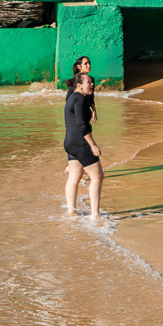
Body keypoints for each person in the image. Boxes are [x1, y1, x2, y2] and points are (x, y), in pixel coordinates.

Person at [64, 71, 104, 219]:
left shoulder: (72, 96)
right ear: (79, 85)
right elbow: (81, 125)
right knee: (98, 177)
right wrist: (92, 144)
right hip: (81, 144)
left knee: (74, 176)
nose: (92, 84)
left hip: (70, 143)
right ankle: (95, 215)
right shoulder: (80, 98)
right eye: (89, 82)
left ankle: (71, 211)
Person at [70, 56, 98, 123]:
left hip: (86, 111)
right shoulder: (75, 80)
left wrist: (94, 111)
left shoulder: (91, 79)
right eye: (86, 64)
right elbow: (69, 99)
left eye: (89, 63)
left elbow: (91, 97)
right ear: (79, 66)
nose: (89, 65)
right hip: (77, 113)